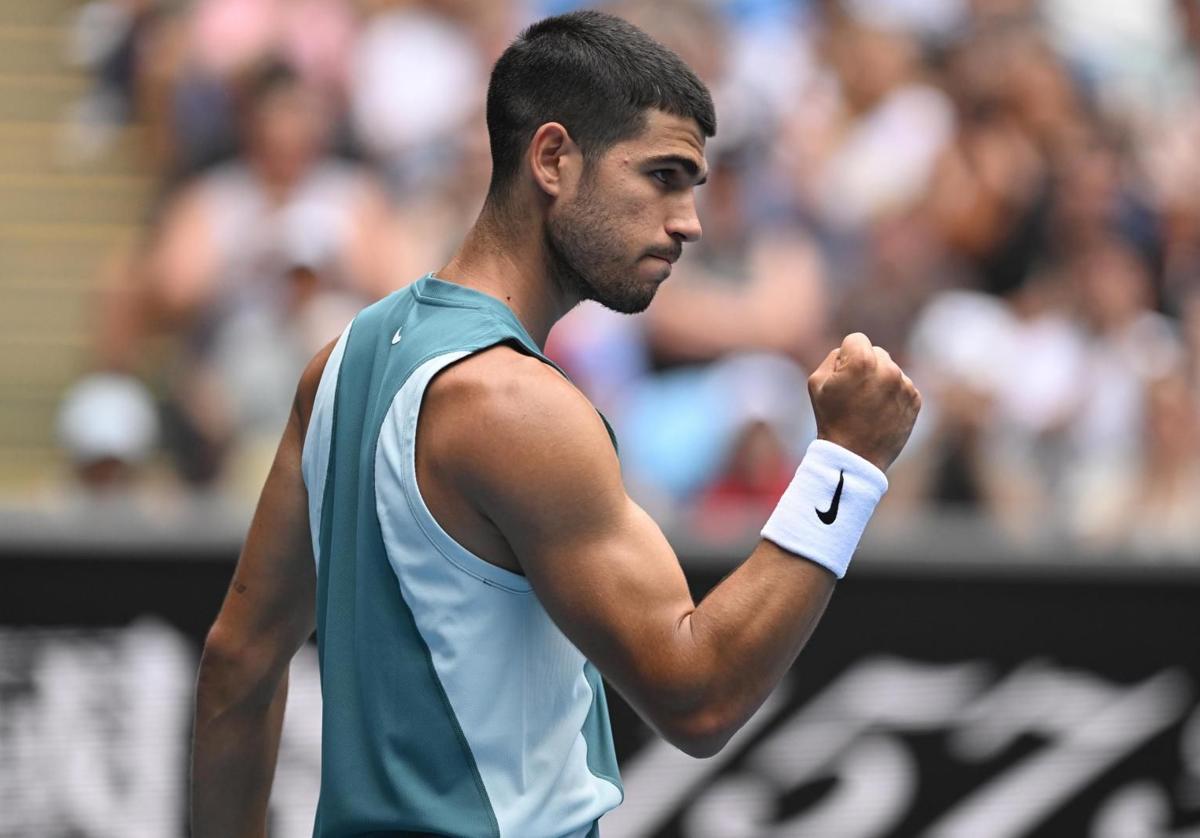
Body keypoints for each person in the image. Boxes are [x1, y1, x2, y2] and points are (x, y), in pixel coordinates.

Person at [191, 11, 921, 838]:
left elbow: (238, 665)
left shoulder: (340, 363)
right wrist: (846, 462)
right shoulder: (517, 404)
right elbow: (701, 694)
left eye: (694, 185)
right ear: (552, 159)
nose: (689, 221)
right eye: (662, 176)